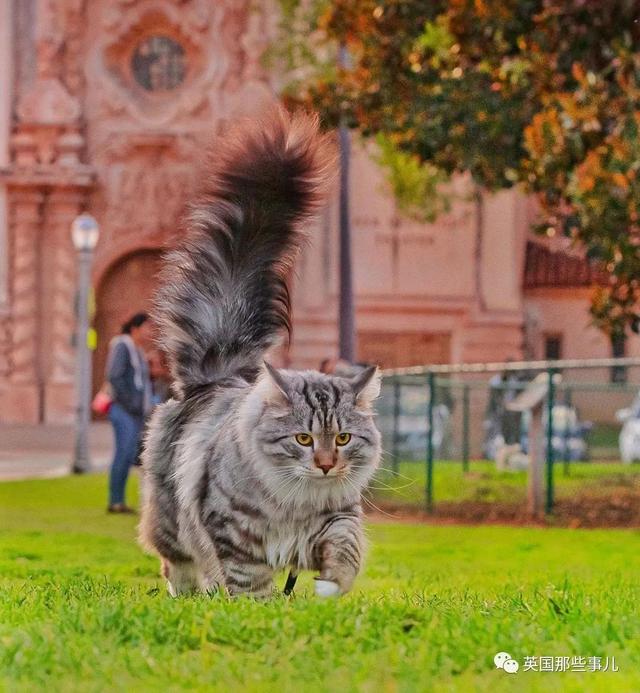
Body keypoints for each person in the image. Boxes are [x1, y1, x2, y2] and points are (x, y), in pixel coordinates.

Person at [106, 312, 153, 513]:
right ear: (135, 328)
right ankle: (115, 500)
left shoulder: (138, 350)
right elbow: (114, 376)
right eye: (147, 327)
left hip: (135, 412)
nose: (150, 332)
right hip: (123, 410)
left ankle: (120, 500)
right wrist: (130, 403)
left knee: (130, 455)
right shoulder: (122, 346)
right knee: (123, 454)